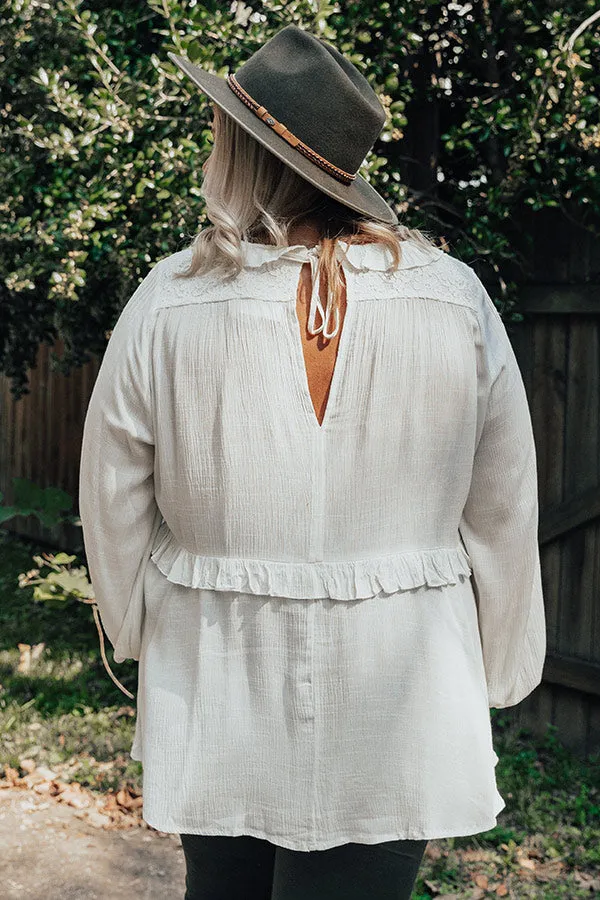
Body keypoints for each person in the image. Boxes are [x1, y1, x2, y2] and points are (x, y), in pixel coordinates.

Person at [78, 23, 547, 900]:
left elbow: (110, 495)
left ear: (242, 153)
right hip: (400, 692)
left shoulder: (170, 298)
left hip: (216, 677)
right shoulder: (454, 299)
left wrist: (138, 627)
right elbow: (504, 505)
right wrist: (500, 661)